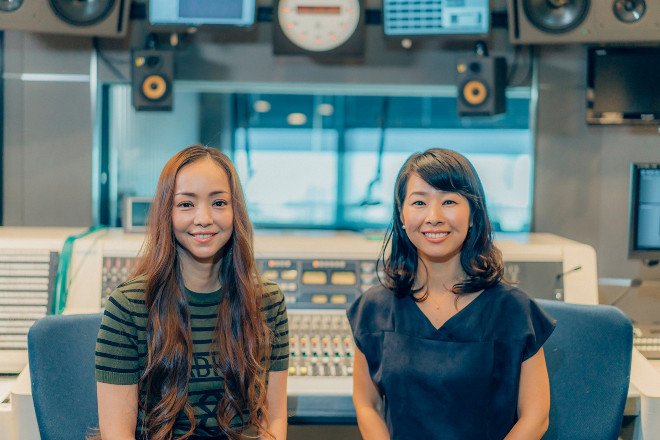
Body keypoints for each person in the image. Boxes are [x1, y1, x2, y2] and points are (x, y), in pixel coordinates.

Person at [347, 148, 555, 440]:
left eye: (449, 201)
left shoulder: (513, 309)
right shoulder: (374, 308)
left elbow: (536, 417)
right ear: (402, 216)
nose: (433, 217)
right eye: (419, 202)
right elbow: (366, 404)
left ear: (473, 215)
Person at [94, 145, 289, 440]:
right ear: (167, 213)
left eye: (219, 202)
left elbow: (274, 419)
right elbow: (117, 433)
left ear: (236, 211)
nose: (204, 217)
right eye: (186, 204)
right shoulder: (128, 307)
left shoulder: (268, 303)